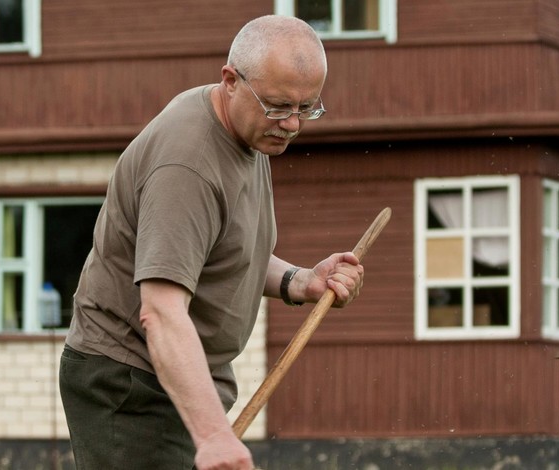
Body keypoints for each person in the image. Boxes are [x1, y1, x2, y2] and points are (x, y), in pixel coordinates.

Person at [59, 15, 365, 470]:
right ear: (231, 81)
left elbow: (218, 253)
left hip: (172, 378)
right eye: (280, 106)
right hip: (130, 387)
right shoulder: (188, 166)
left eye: (308, 107)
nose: (294, 124)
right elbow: (160, 312)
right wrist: (213, 436)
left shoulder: (250, 129)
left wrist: (301, 282)